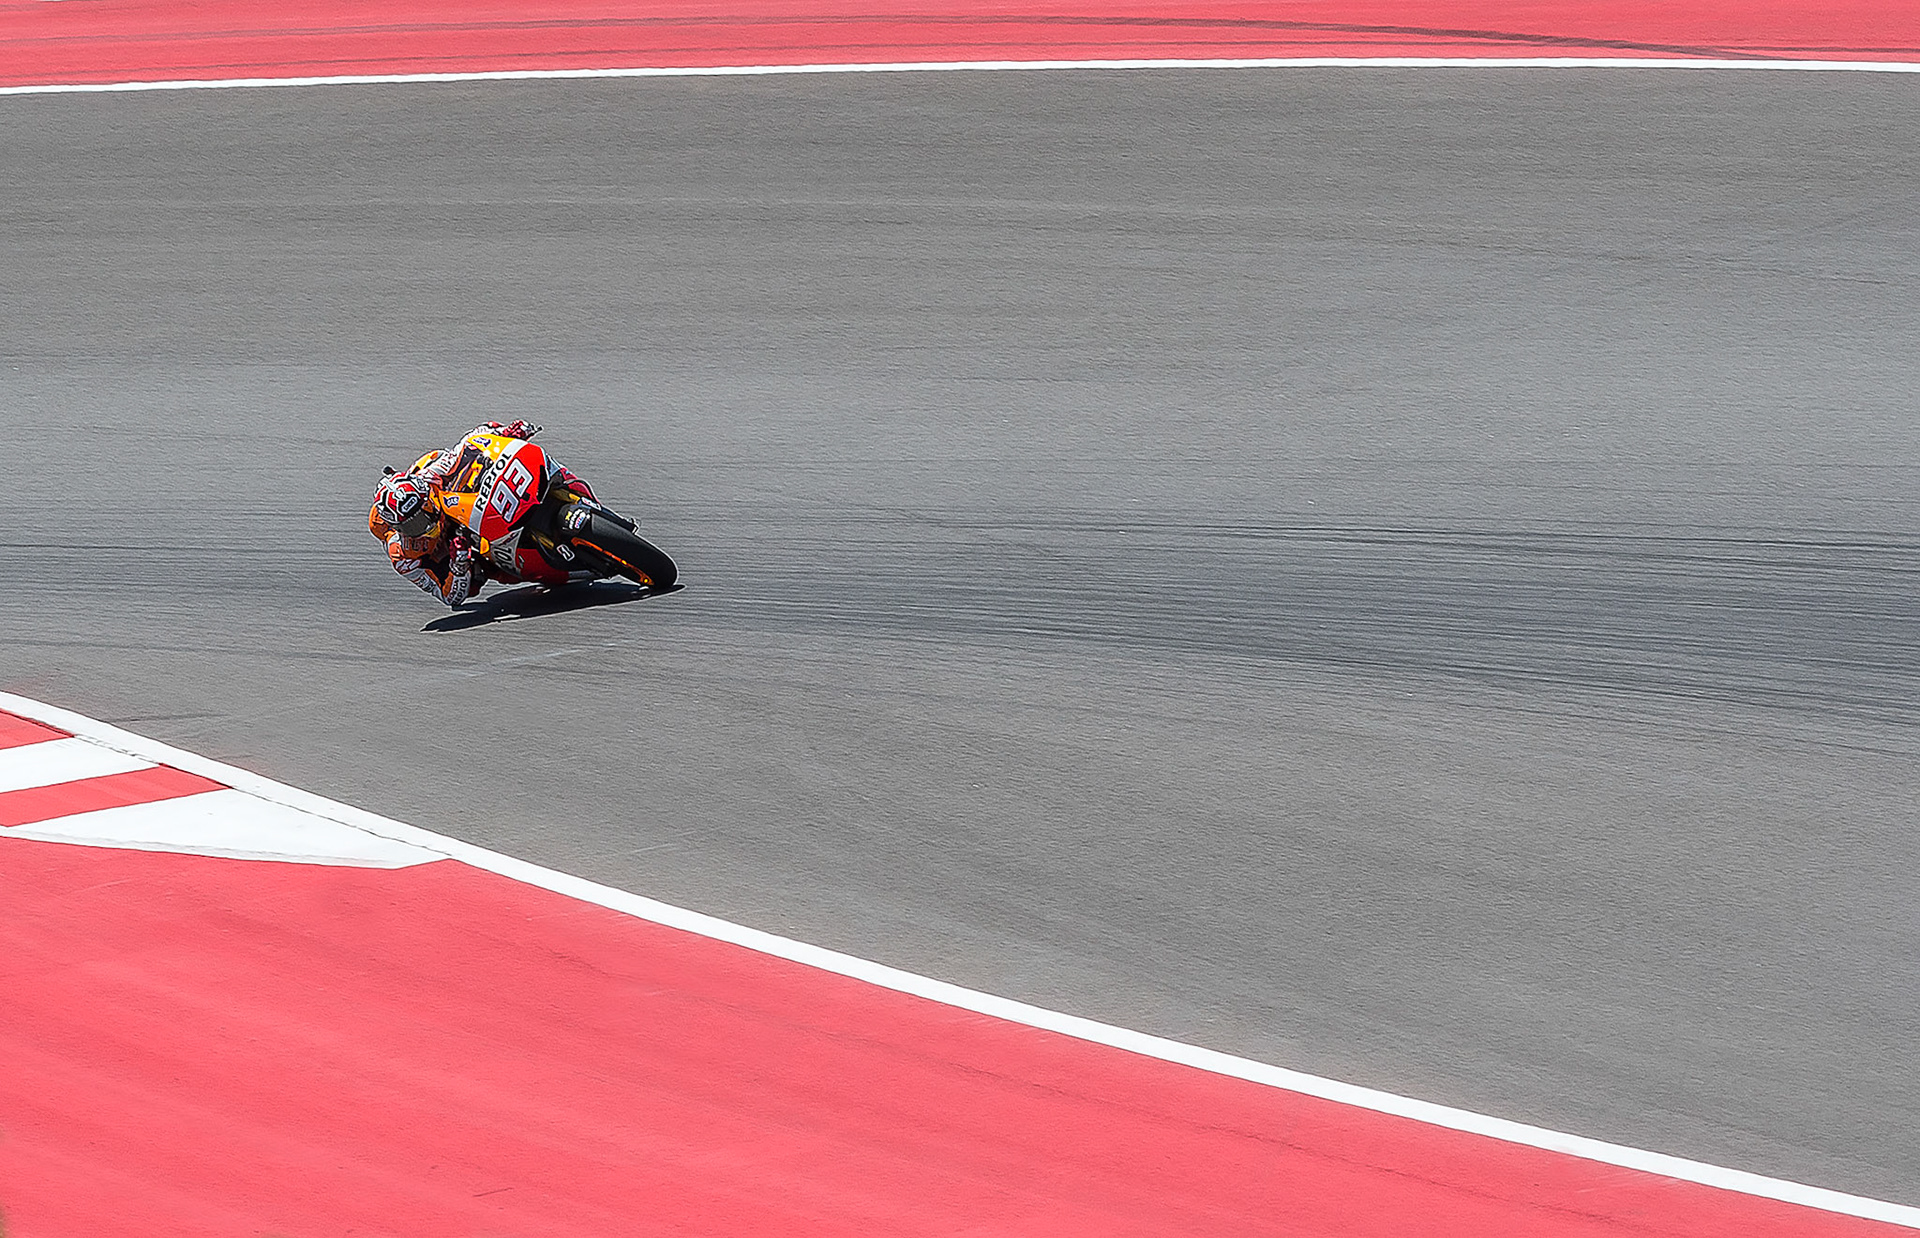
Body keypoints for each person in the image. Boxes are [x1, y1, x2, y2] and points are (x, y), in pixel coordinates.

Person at [369, 420, 596, 606]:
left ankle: (570, 490)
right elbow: (449, 597)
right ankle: (554, 569)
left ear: (425, 497)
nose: (424, 525)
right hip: (463, 548)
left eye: (422, 514)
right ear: (397, 528)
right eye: (412, 526)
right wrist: (459, 565)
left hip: (465, 501)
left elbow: (469, 443)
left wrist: (506, 432)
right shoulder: (403, 556)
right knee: (488, 576)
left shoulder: (429, 475)